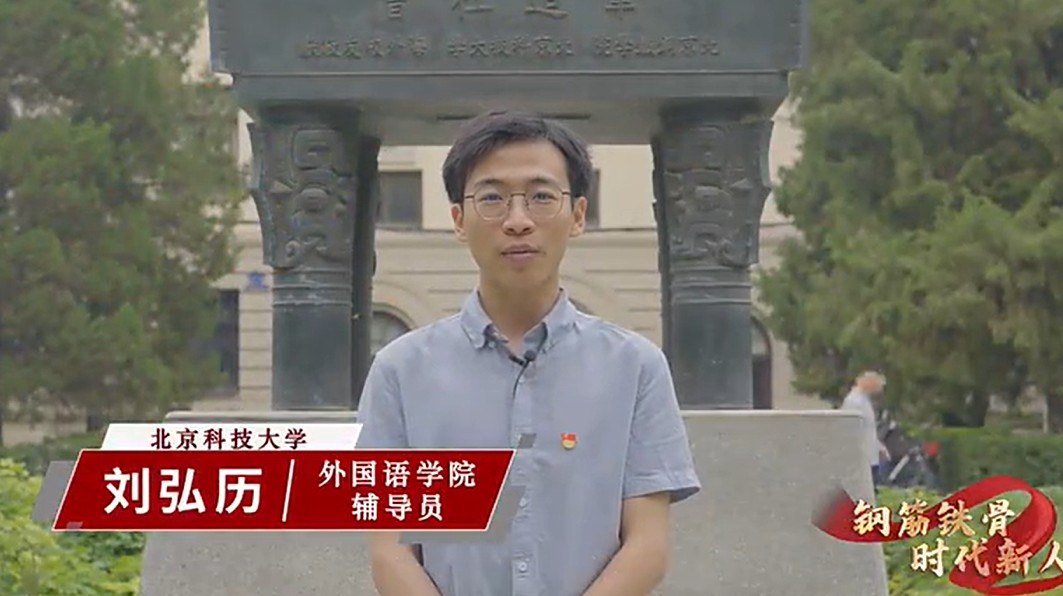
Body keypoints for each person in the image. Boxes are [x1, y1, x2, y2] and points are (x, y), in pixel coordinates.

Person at [355, 110, 701, 596]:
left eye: (541, 196)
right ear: (458, 220)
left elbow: (648, 545)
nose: (517, 221)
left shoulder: (636, 367)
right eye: (491, 198)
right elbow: (390, 550)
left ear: (577, 214)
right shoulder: (399, 372)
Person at [840, 371, 890, 487]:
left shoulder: (863, 400)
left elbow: (868, 429)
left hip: (869, 455)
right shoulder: (855, 401)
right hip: (862, 457)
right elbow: (853, 429)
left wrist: (879, 447)